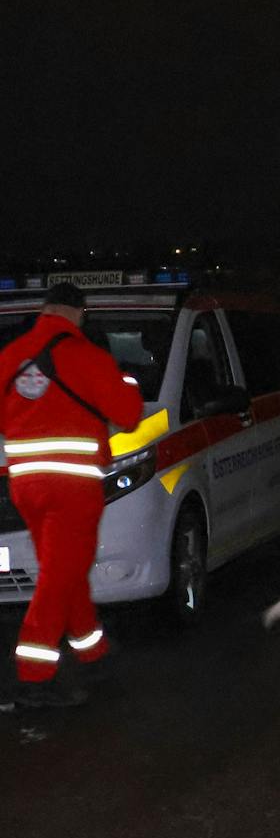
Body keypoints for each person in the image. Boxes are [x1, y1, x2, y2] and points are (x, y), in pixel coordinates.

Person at [0, 282, 143, 708]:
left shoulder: (9, 355)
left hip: (24, 483)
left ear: (45, 310)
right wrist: (127, 379)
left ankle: (93, 651)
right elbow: (130, 415)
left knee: (64, 568)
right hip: (72, 486)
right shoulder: (88, 356)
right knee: (59, 575)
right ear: (80, 313)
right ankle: (34, 678)